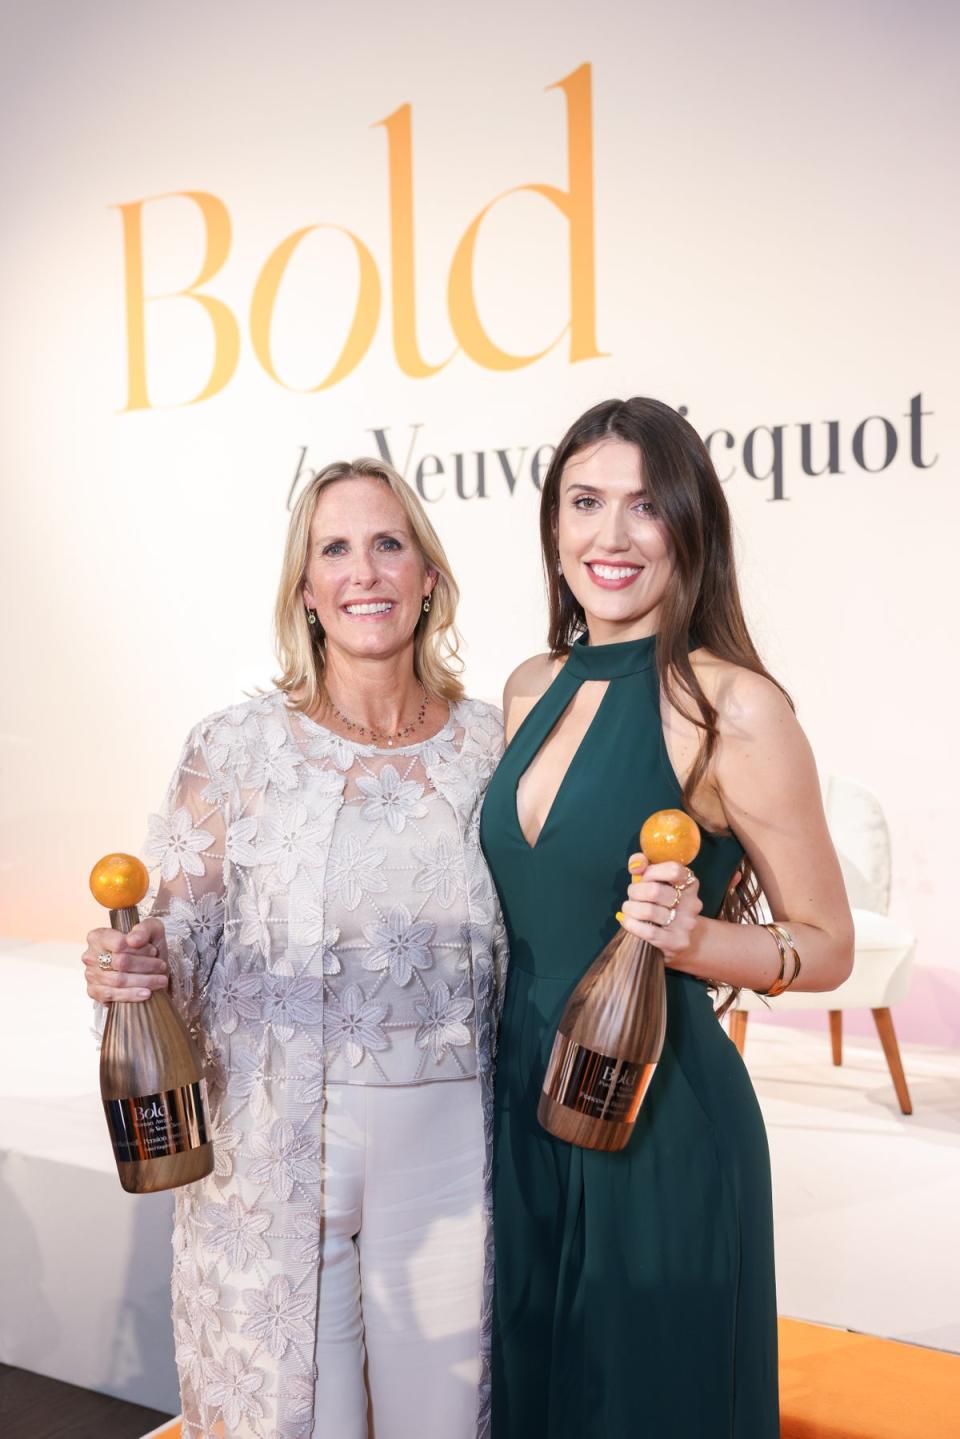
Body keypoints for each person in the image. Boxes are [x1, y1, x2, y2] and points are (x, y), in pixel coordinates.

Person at [82, 458, 507, 1439]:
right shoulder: (234, 748)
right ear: (306, 589)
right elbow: (173, 949)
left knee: (445, 1420)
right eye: (336, 549)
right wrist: (127, 970)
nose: (366, 570)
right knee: (291, 1421)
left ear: (428, 575)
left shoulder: (494, 745)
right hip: (269, 1150)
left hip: (452, 1147)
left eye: (389, 542)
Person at [479, 397, 854, 1439]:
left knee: (647, 1401)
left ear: (690, 524)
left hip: (663, 1115)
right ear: (552, 526)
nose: (611, 535)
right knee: (538, 1390)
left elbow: (827, 944)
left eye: (645, 505)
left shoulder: (735, 706)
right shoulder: (525, 688)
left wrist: (696, 939)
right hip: (523, 1107)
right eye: (585, 501)